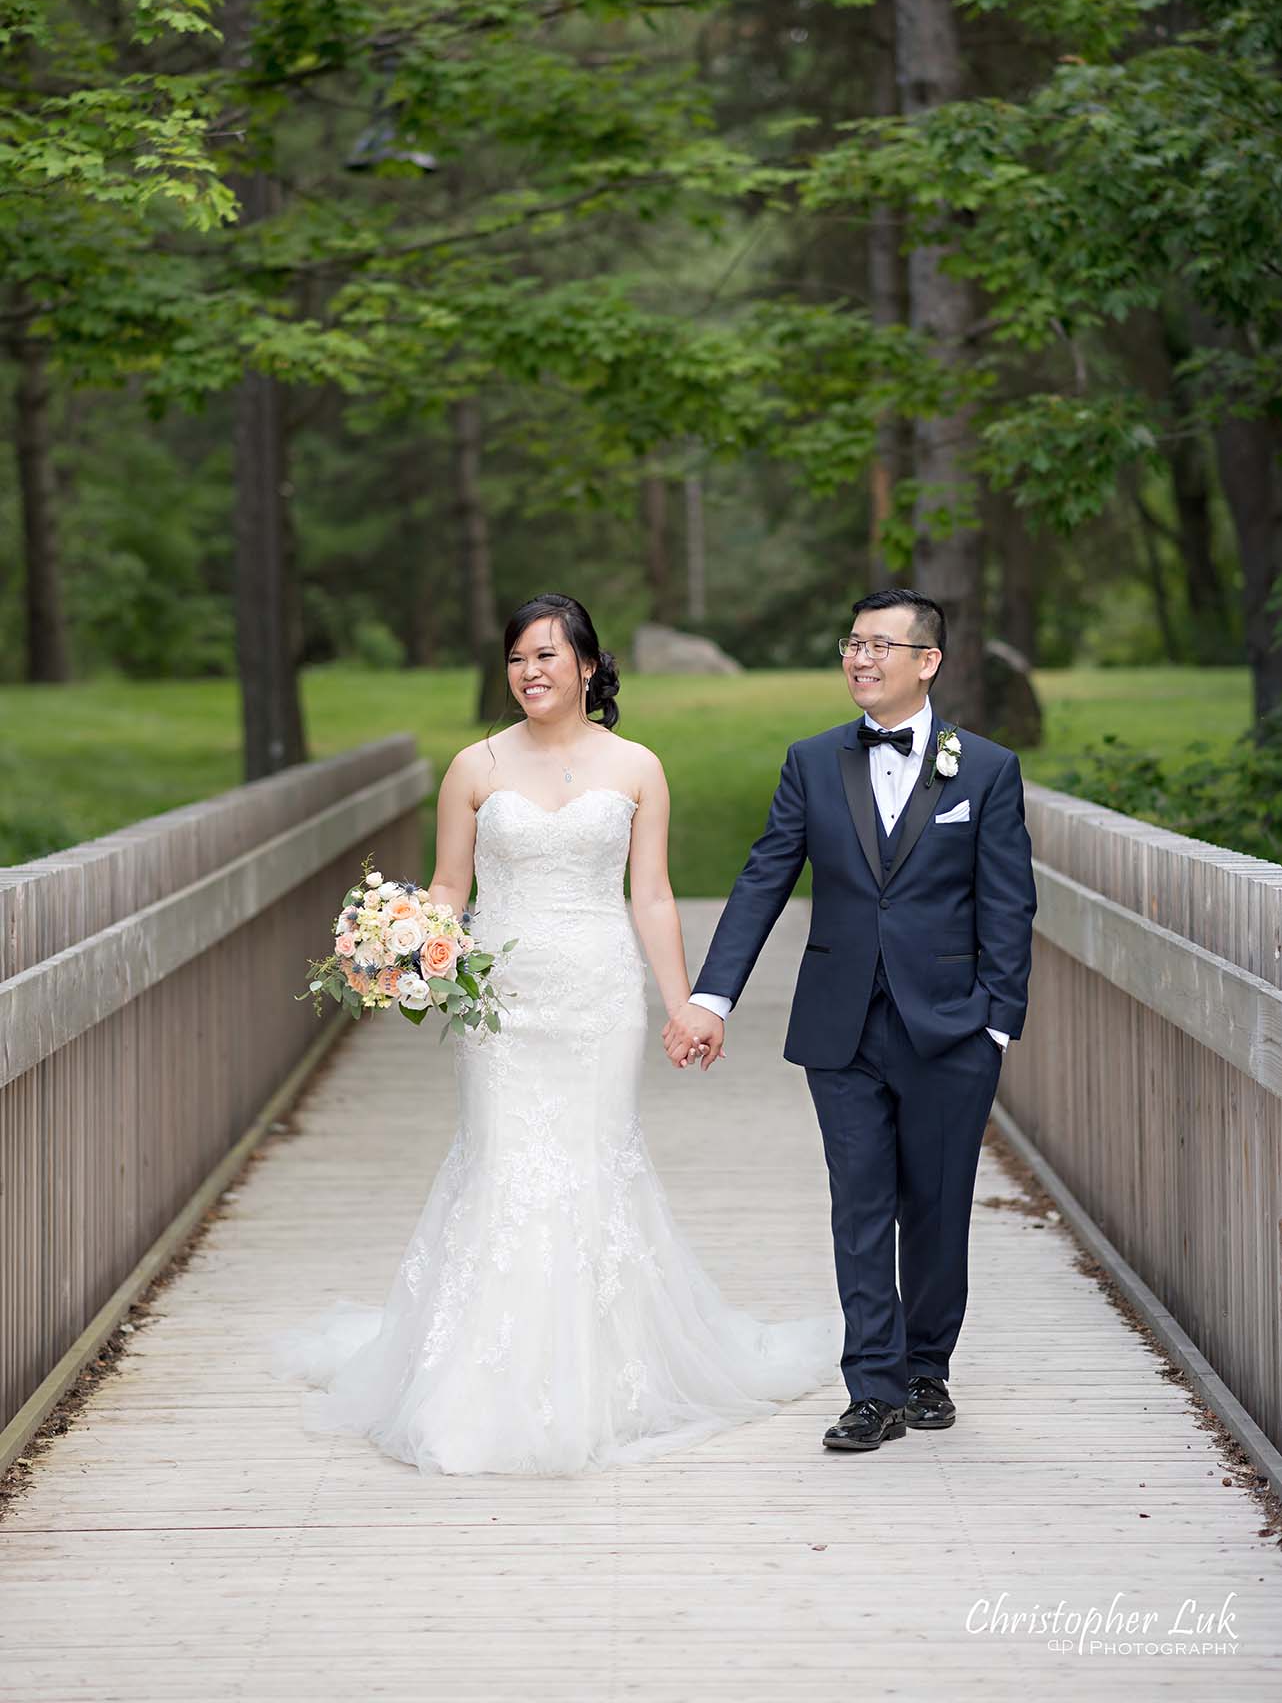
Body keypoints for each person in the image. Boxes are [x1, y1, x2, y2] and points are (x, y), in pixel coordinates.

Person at [268, 591, 840, 1475]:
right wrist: (405, 941)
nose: (529, 672)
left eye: (546, 656)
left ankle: (607, 1381)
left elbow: (649, 895)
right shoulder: (474, 767)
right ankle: (479, 1386)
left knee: (593, 1166)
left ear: (586, 666)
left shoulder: (639, 767)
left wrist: (688, 1002)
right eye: (516, 658)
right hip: (501, 1006)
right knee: (502, 1168)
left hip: (600, 998)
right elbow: (451, 886)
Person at [664, 588, 1037, 1454]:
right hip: (842, 1026)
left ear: (927, 661)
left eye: (879, 645)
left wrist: (997, 1022)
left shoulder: (984, 769)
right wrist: (711, 997)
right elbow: (764, 878)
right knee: (859, 1204)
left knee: (937, 1207)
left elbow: (1008, 906)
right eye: (851, 645)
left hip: (951, 1027)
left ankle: (927, 1367)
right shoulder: (812, 761)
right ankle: (872, 1387)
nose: (859, 660)